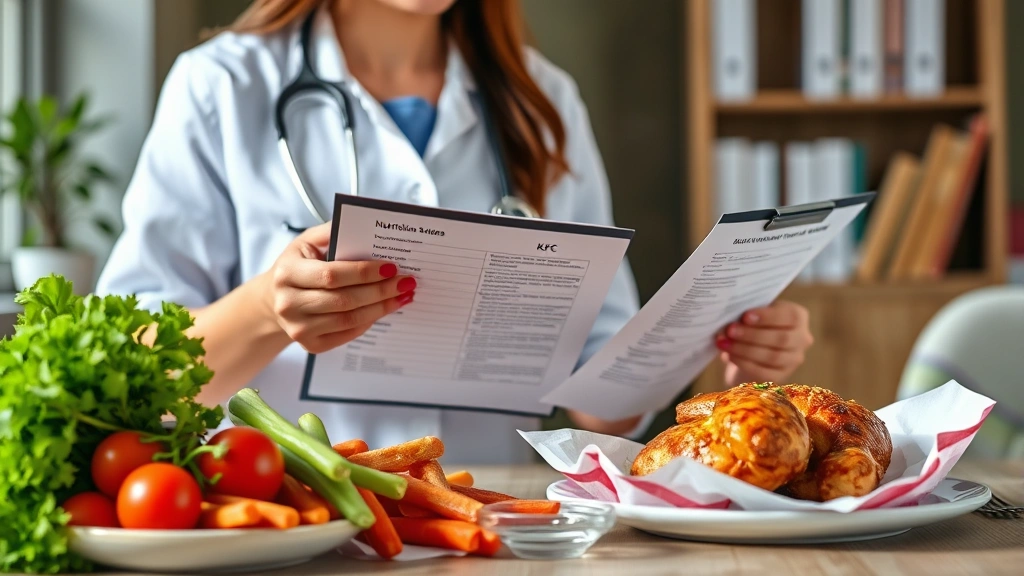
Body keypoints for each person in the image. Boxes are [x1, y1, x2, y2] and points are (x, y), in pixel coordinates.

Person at [97, 0, 814, 463]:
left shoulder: (540, 101)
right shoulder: (220, 86)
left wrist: (725, 359)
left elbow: (604, 409)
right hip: (287, 524)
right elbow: (140, 375)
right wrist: (265, 309)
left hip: (489, 524)